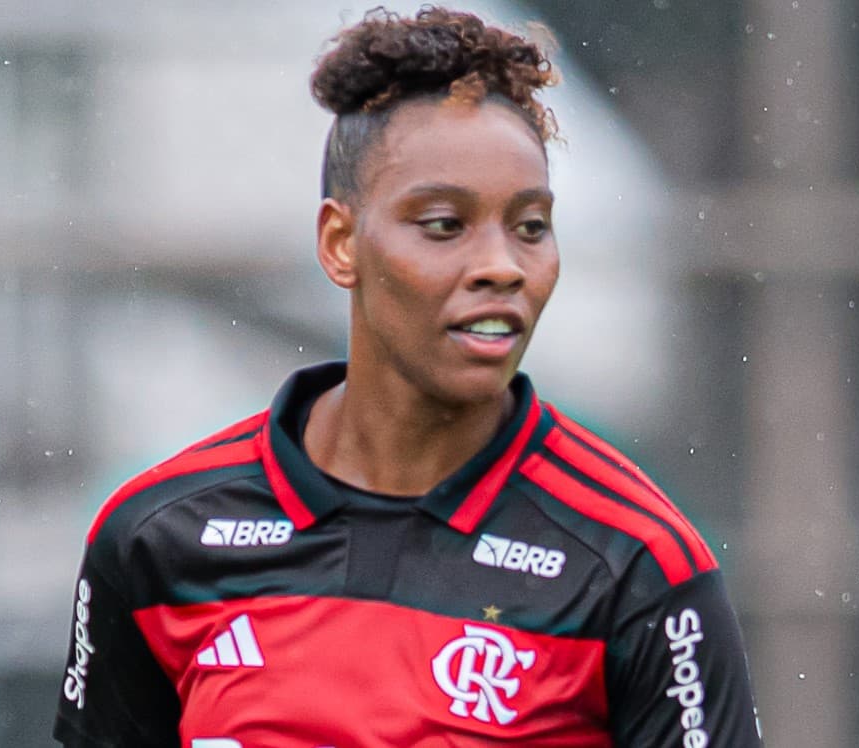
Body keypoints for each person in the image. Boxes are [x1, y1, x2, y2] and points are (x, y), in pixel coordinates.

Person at [54, 6, 761, 747]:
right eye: (444, 225)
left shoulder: (635, 561)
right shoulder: (157, 538)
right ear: (340, 244)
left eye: (530, 227)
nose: (502, 267)